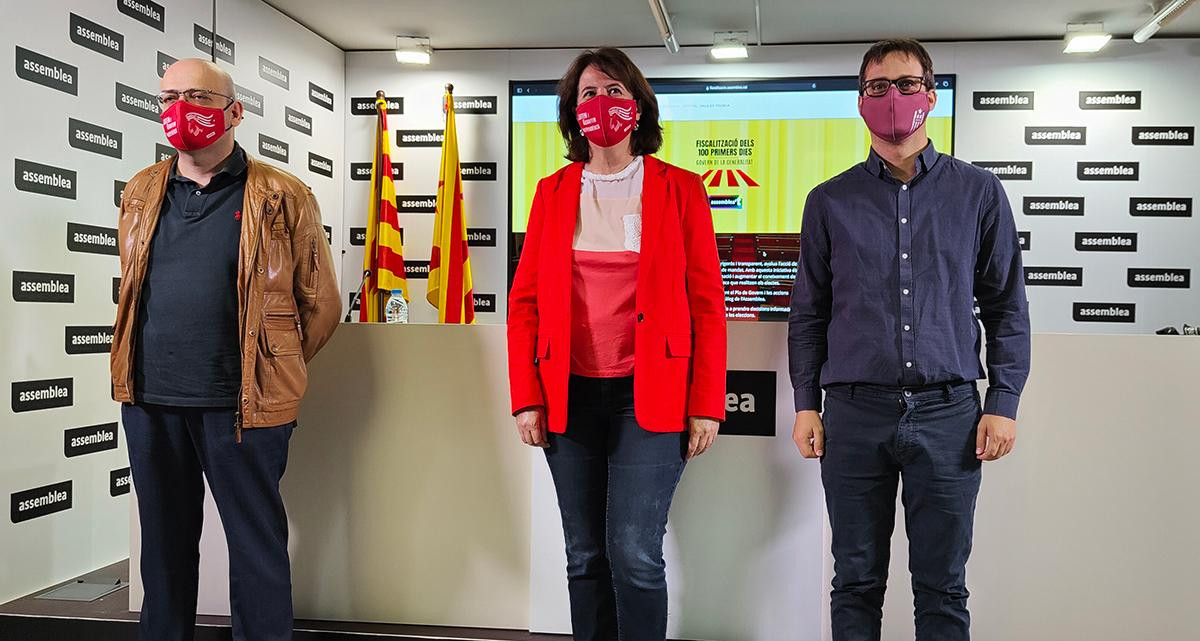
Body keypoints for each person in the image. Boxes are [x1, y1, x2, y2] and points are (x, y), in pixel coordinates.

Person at [788, 39, 1031, 641]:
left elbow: (1006, 308)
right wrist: (804, 404)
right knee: (855, 582)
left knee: (943, 587)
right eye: (876, 87)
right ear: (860, 101)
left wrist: (1002, 404)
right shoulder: (828, 202)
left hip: (949, 414)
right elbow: (809, 314)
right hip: (852, 414)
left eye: (905, 84)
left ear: (929, 94)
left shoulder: (979, 194)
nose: (891, 98)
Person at [109, 58, 340, 641]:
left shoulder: (284, 195)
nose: (181, 109)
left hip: (244, 407)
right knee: (162, 553)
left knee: (256, 547)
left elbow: (322, 306)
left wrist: (270, 365)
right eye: (170, 96)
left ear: (234, 112)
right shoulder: (140, 191)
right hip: (150, 400)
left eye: (198, 96)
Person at [507, 47, 727, 640]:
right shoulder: (552, 192)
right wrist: (526, 397)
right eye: (588, 94)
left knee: (634, 554)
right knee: (584, 556)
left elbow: (707, 304)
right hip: (567, 396)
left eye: (615, 92)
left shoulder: (680, 189)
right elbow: (524, 304)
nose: (601, 104)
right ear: (571, 113)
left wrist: (707, 402)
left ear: (638, 105)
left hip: (649, 397)